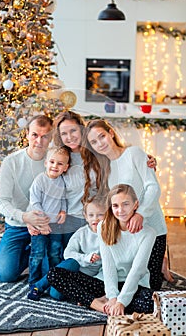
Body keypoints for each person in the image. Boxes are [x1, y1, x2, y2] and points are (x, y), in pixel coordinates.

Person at [81, 118, 167, 290]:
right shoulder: (103, 169)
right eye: (94, 142)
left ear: (111, 133)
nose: (100, 143)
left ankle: (161, 265)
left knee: (151, 288)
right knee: (126, 283)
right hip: (127, 237)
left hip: (152, 230)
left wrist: (140, 213)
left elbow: (153, 187)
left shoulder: (134, 153)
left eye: (102, 136)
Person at [52, 111, 156, 249]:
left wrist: (147, 161)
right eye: (64, 133)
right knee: (63, 259)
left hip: (97, 218)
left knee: (95, 263)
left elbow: (121, 160)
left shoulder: (97, 153)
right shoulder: (58, 157)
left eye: (73, 130)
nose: (69, 137)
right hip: (66, 219)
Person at [0, 115, 53, 282]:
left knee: (48, 274)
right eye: (35, 135)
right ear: (27, 134)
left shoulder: (54, 161)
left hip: (44, 226)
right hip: (17, 225)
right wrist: (24, 217)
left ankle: (39, 253)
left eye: (45, 136)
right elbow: (2, 201)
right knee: (6, 275)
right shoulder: (11, 162)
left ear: (51, 138)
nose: (39, 141)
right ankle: (30, 253)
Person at [96, 184, 156, 315]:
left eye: (126, 204)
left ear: (136, 205)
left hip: (135, 285)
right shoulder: (103, 227)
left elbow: (137, 270)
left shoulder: (148, 233)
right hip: (110, 284)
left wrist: (121, 301)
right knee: (56, 275)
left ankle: (108, 305)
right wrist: (112, 297)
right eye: (115, 206)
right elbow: (108, 265)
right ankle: (100, 304)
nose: (120, 210)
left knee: (153, 302)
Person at [47, 195, 107, 309]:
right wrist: (85, 258)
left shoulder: (109, 235)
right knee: (56, 294)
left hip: (97, 280)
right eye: (91, 215)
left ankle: (84, 298)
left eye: (100, 215)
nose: (95, 219)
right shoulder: (81, 233)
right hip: (78, 274)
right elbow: (68, 253)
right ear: (86, 217)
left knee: (102, 288)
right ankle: (40, 286)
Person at [27, 146, 70, 294]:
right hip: (40, 223)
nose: (55, 166)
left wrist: (63, 211)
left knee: (55, 253)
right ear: (46, 163)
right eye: (52, 162)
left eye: (60, 164)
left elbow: (63, 198)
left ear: (65, 167)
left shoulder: (62, 181)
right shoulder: (40, 180)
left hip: (56, 225)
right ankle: (33, 282)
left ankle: (53, 281)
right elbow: (35, 203)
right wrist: (42, 223)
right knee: (37, 253)